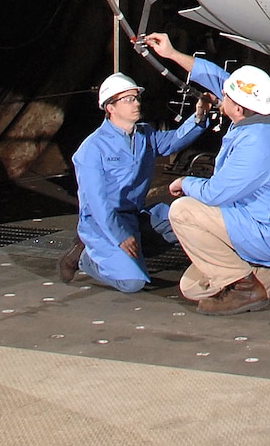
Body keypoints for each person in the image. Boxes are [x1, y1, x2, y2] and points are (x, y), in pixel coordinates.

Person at [137, 32, 270, 315]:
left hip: (269, 230)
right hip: (263, 220)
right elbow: (218, 77)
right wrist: (171, 54)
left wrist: (183, 182)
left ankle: (247, 287)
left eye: (226, 97)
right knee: (192, 287)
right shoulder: (266, 112)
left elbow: (215, 192)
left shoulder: (257, 144)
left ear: (239, 109)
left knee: (183, 211)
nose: (221, 96)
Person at [58, 72, 212, 293]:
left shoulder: (144, 135)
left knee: (188, 222)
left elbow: (173, 141)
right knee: (133, 283)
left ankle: (134, 253)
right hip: (103, 224)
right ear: (110, 107)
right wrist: (120, 236)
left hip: (135, 216)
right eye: (128, 99)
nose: (136, 103)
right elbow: (97, 203)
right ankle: (84, 258)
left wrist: (199, 116)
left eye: (136, 98)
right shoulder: (92, 150)